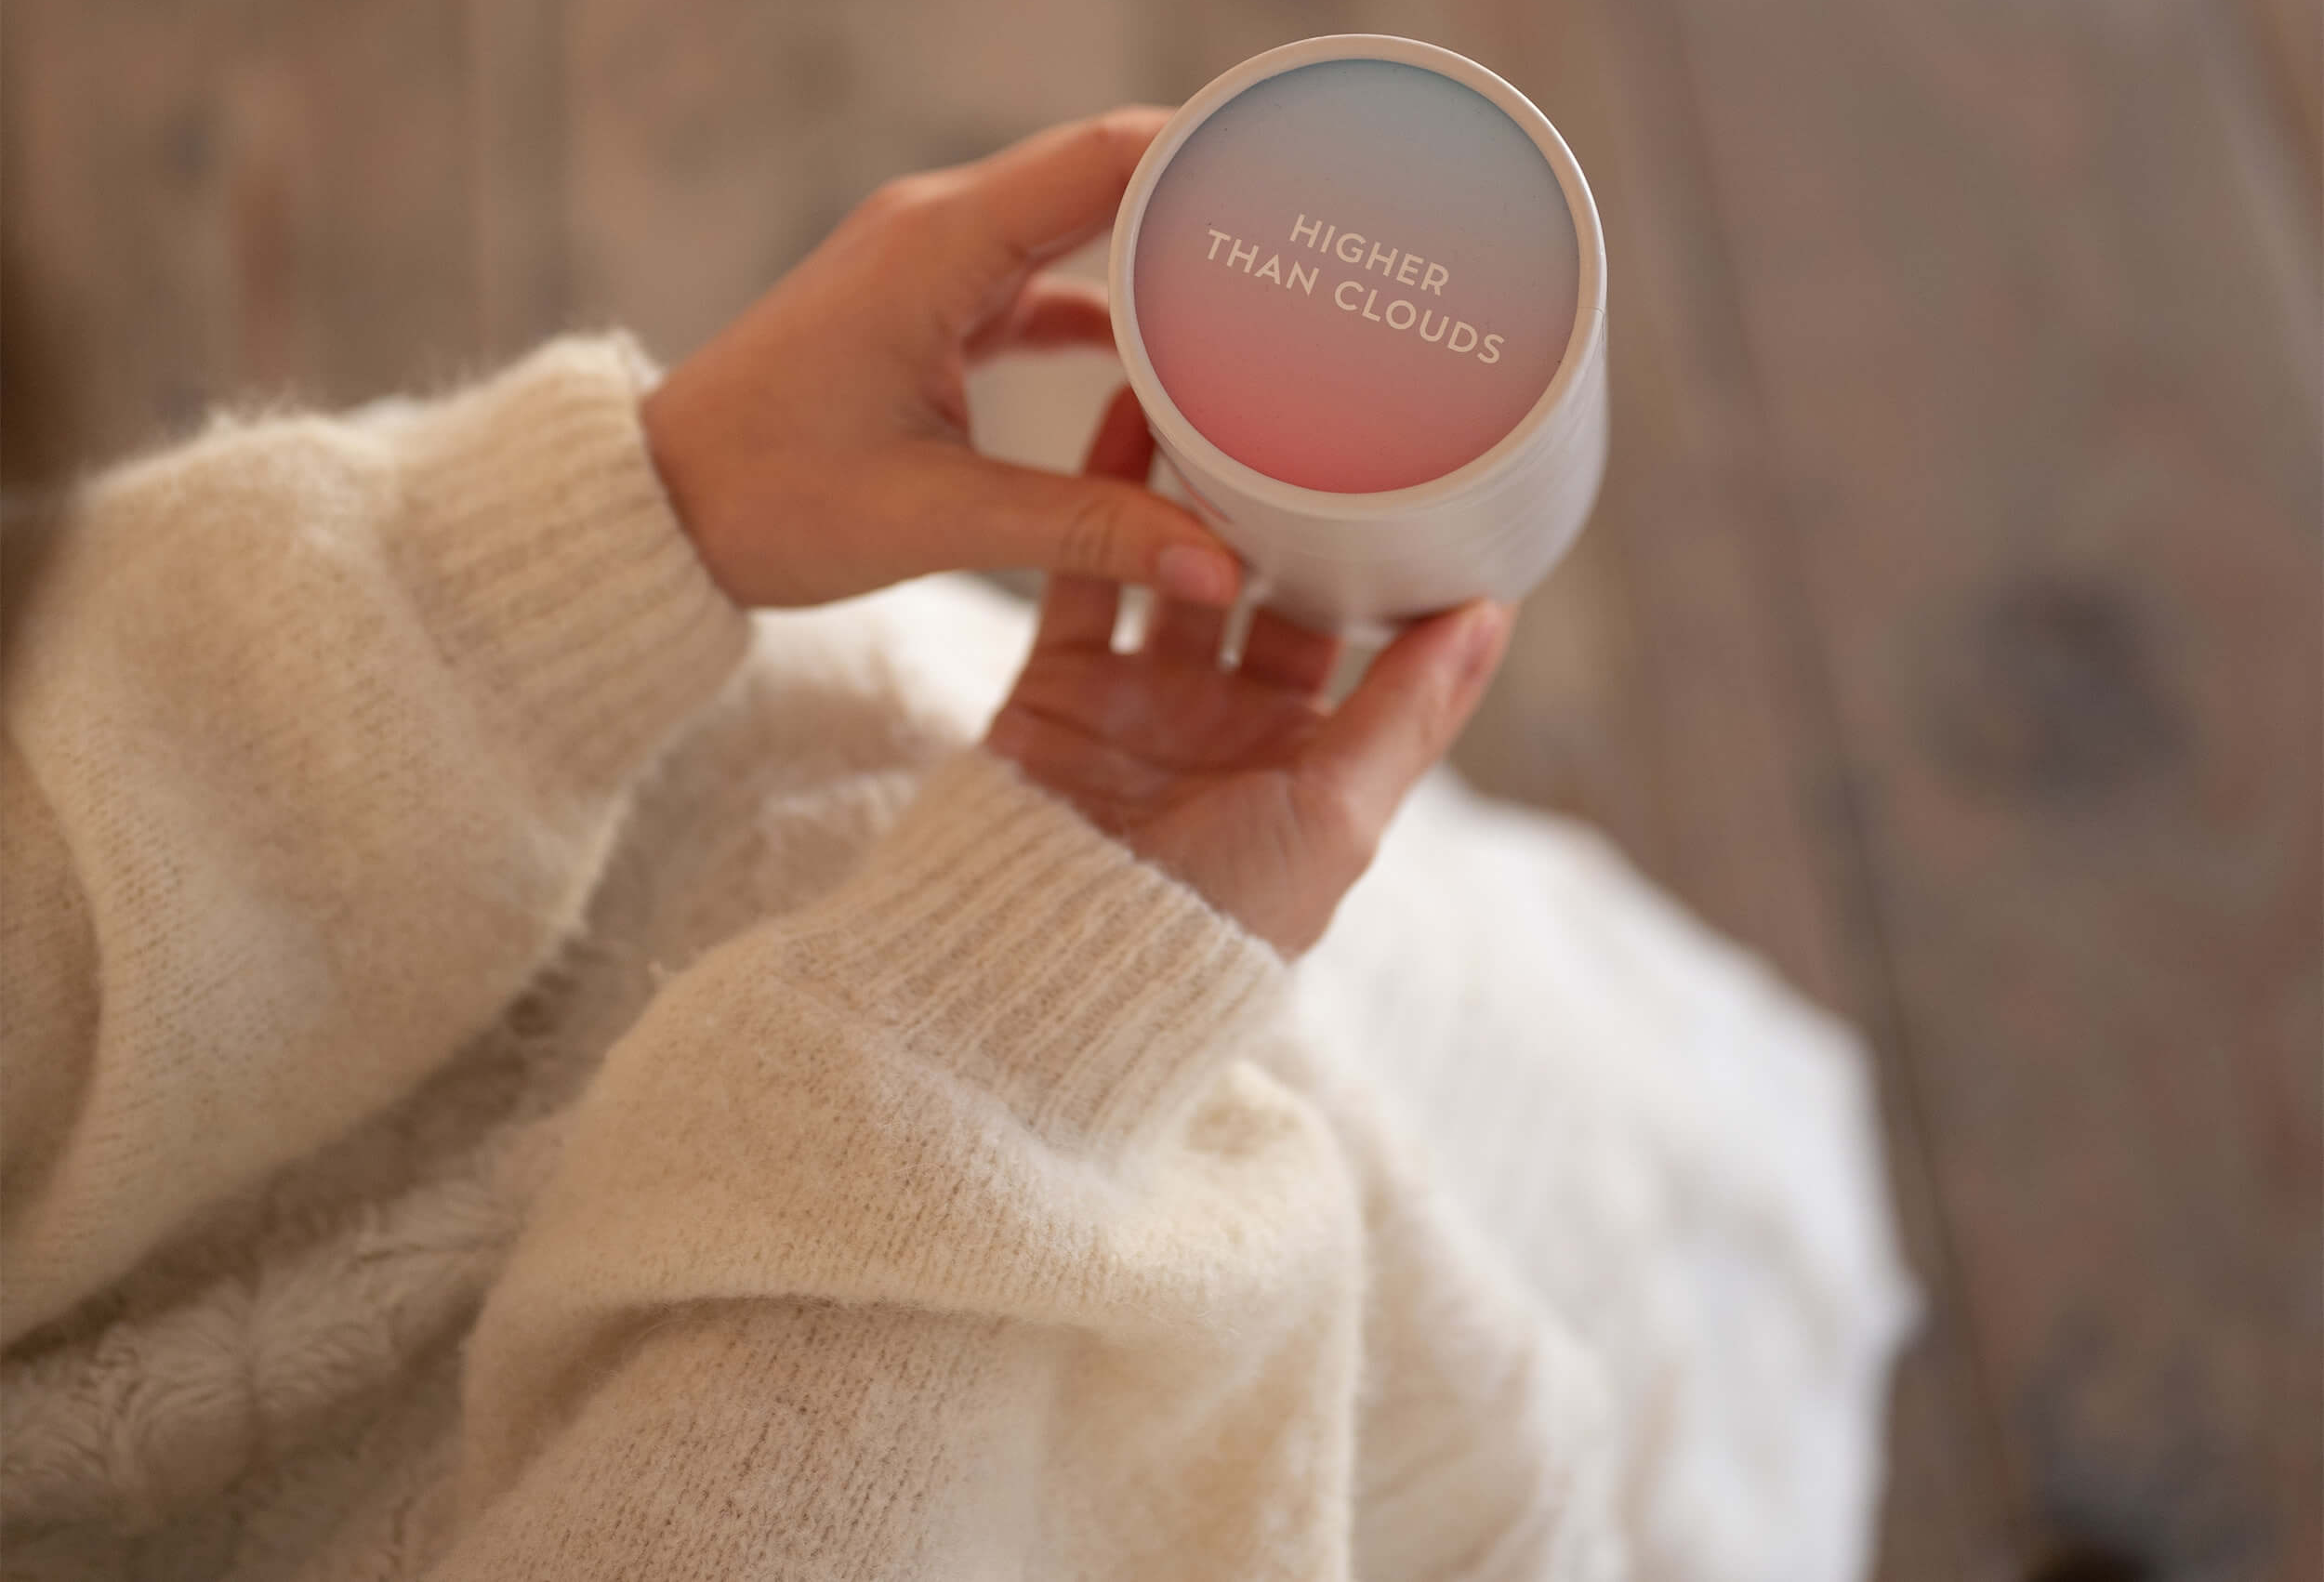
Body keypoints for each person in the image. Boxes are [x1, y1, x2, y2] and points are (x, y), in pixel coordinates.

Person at [0, 112, 1914, 1581]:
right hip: (954, 1156)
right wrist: (993, 1048)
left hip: (822, 810)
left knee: (1466, 1054)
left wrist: (612, 524)